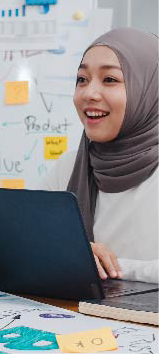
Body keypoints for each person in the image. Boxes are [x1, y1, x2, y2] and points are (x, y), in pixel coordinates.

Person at [41, 27, 158, 284]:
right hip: (76, 319)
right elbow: (24, 243)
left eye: (110, 80)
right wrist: (68, 255)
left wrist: (88, 261)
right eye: (82, 79)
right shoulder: (68, 167)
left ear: (149, 90)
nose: (89, 93)